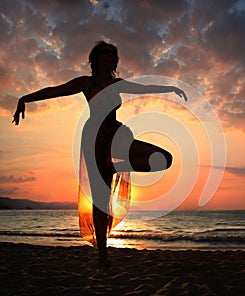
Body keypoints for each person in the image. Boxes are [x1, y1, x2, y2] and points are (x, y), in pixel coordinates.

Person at [13, 40, 187, 267]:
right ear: (95, 60)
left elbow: (144, 88)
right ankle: (103, 255)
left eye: (112, 56)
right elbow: (55, 91)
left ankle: (114, 166)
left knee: (164, 158)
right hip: (95, 137)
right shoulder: (87, 82)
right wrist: (24, 99)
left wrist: (170, 88)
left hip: (117, 132)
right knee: (101, 200)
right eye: (105, 55)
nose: (109, 58)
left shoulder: (117, 83)